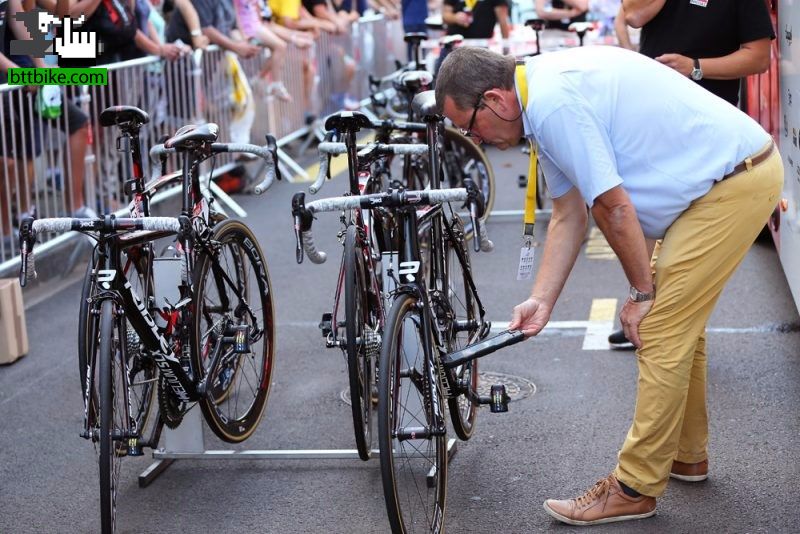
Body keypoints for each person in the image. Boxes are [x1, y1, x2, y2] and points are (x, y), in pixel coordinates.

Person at [435, 45, 782, 526]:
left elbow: (613, 208)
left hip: (731, 184)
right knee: (679, 328)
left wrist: (641, 295)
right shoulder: (539, 97)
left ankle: (635, 487)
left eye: (470, 125)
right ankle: (686, 455)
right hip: (725, 180)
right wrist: (542, 299)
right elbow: (568, 213)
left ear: (495, 99)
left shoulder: (552, 103)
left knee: (659, 328)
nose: (474, 138)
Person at [605, 0, 776, 349]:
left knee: (689, 231)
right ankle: (644, 306)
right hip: (650, 118)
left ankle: (670, 316)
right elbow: (634, 15)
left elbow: (758, 57)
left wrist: (695, 68)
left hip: (709, 136)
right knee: (644, 216)